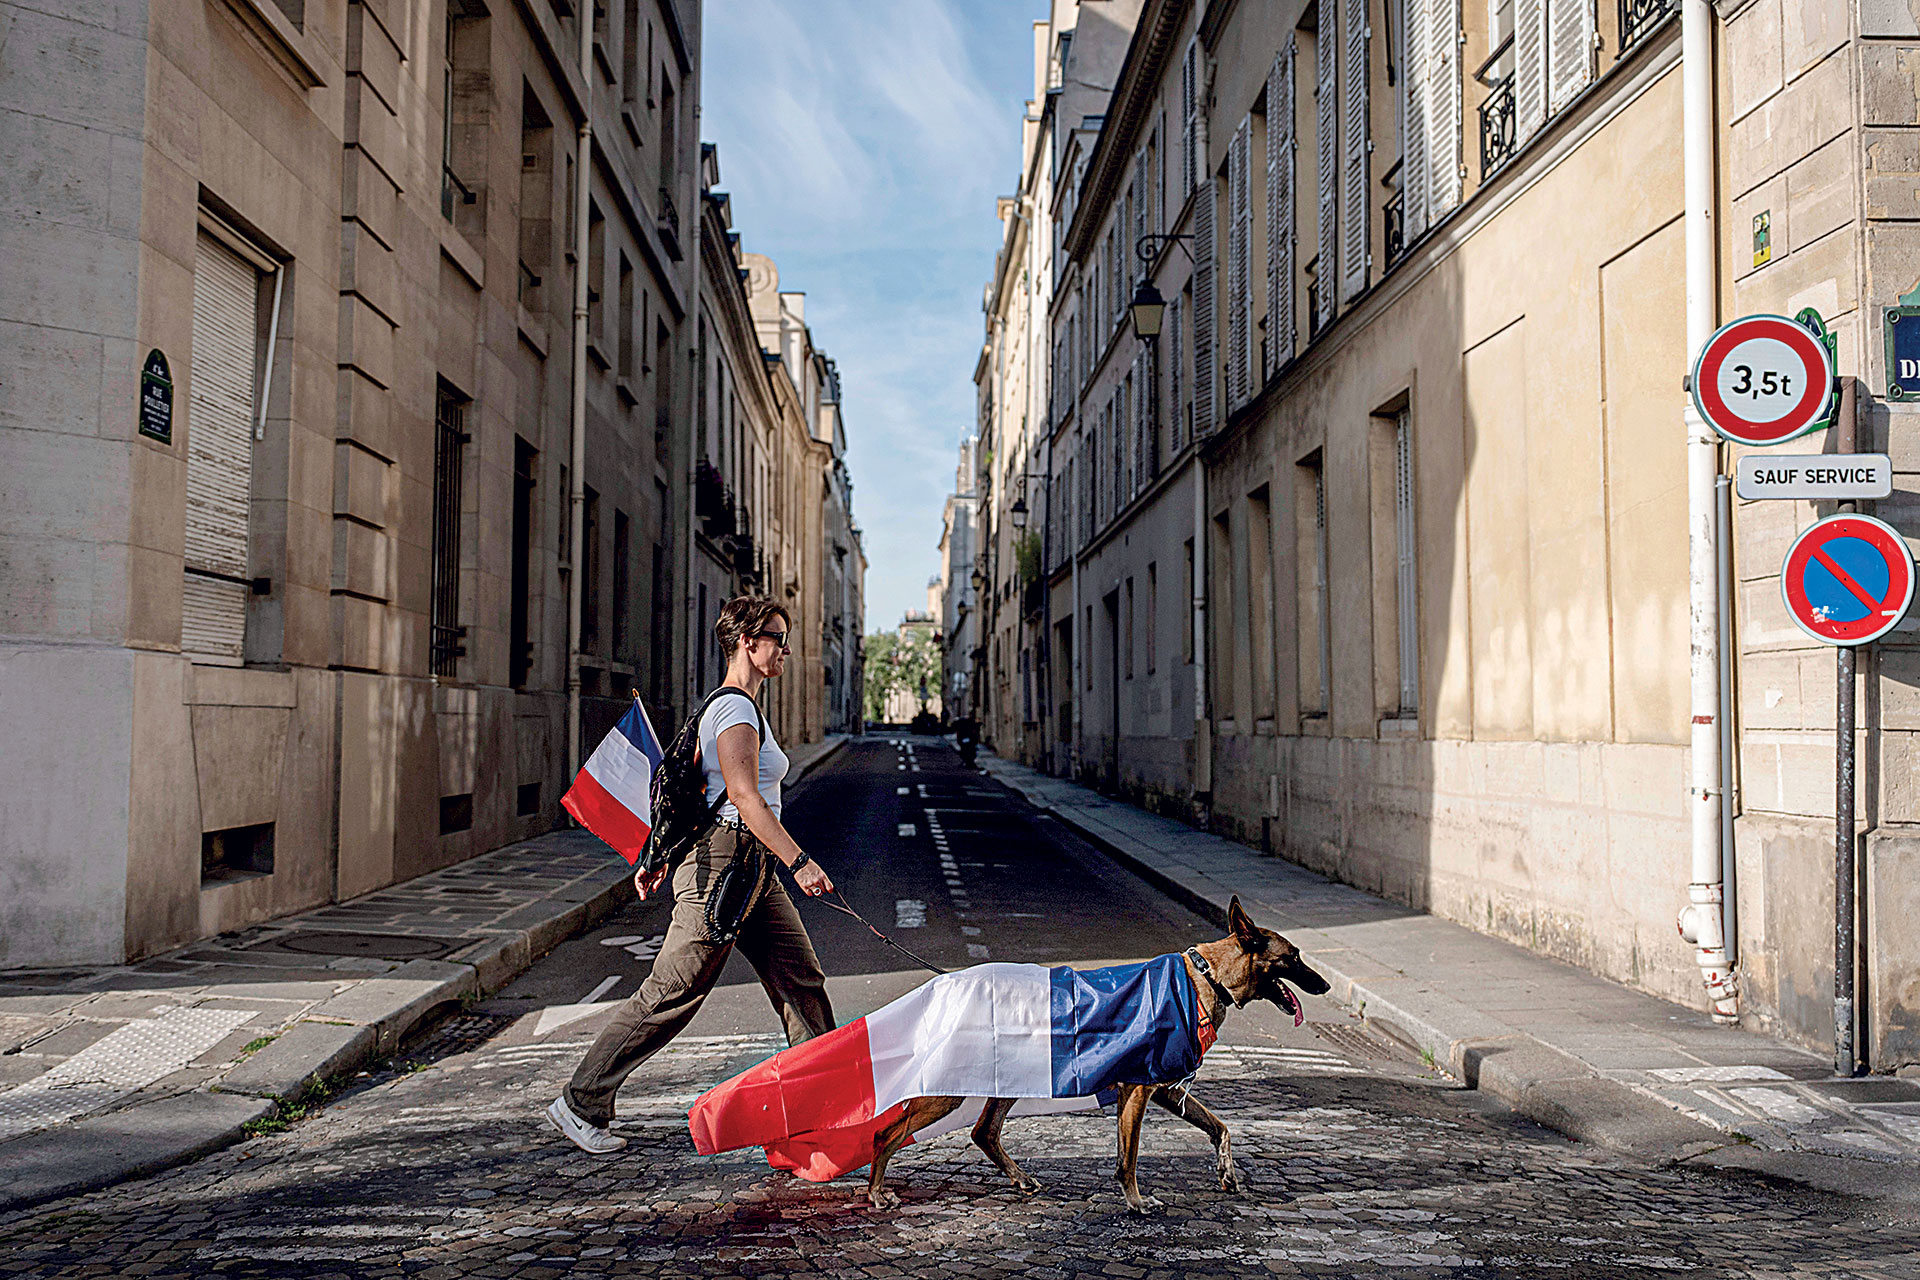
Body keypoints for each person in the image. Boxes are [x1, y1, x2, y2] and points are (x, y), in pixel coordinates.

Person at [546, 595, 837, 1154]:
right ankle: (581, 1100)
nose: (786, 648)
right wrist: (800, 861)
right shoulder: (733, 711)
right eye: (777, 636)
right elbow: (744, 798)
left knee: (800, 980)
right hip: (727, 863)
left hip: (749, 868)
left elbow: (705, 793)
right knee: (675, 989)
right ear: (748, 643)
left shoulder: (744, 707)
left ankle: (823, 1109)